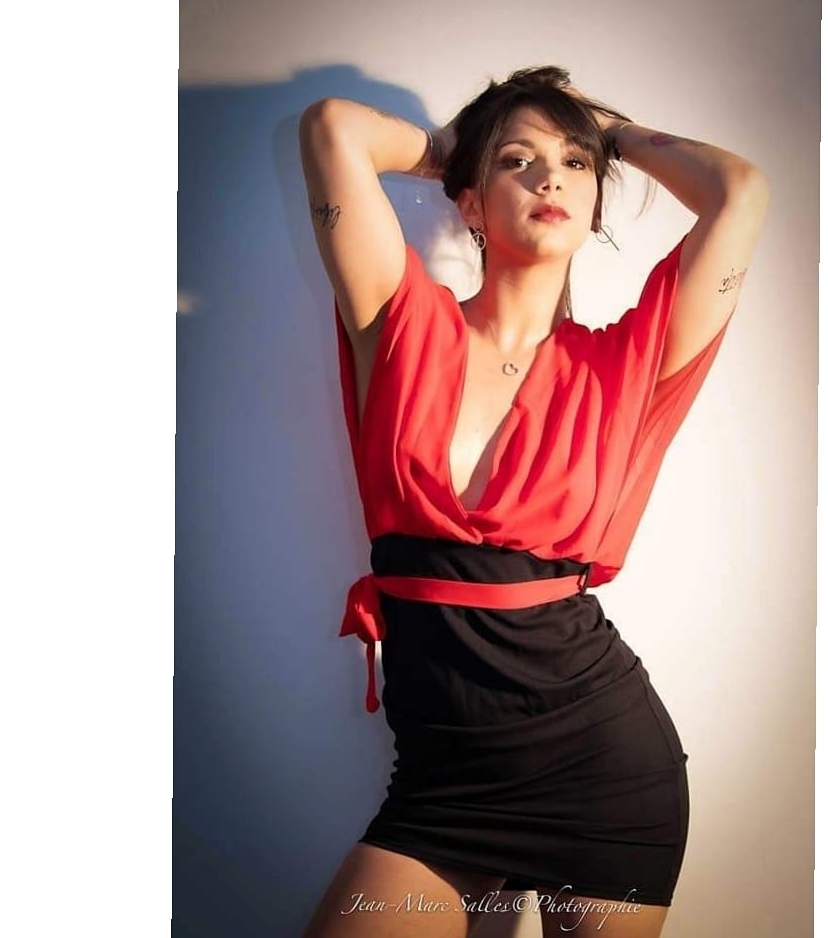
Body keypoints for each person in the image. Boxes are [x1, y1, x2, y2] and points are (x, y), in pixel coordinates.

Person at [297, 66, 769, 938]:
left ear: (593, 205)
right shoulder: (401, 321)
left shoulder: (626, 363)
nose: (550, 177)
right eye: (519, 161)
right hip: (442, 783)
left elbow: (738, 190)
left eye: (573, 165)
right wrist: (462, 152)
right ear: (471, 205)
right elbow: (334, 129)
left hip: (603, 769)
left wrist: (610, 136)